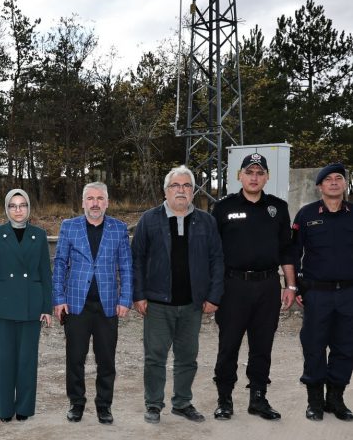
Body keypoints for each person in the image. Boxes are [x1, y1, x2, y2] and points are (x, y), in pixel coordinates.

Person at [132, 165, 224, 424]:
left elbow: (217, 259)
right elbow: (137, 259)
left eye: (186, 186)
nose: (181, 190)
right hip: (157, 304)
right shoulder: (150, 219)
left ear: (193, 191)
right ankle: (153, 404)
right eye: (175, 186)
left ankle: (182, 403)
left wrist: (214, 296)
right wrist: (138, 295)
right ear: (165, 191)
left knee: (187, 357)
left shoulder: (206, 221)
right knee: (155, 357)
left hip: (192, 304)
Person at [210, 153, 296, 421]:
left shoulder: (278, 208)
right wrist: (212, 291)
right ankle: (224, 399)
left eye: (260, 173)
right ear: (240, 176)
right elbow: (213, 253)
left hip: (268, 286)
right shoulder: (223, 207)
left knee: (262, 345)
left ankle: (258, 398)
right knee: (229, 345)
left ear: (267, 177)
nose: (254, 177)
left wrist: (291, 286)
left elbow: (286, 251)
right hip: (233, 287)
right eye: (249, 172)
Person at [53, 182, 132, 425]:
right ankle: (76, 403)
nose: (95, 203)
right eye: (90, 198)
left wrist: (125, 299)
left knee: (106, 360)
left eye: (99, 198)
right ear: (83, 202)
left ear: (107, 202)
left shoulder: (119, 229)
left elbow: (126, 267)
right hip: (76, 305)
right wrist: (59, 298)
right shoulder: (69, 226)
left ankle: (104, 405)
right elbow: (60, 263)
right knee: (75, 358)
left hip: (108, 306)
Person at [289, 162, 353, 422]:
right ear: (319, 186)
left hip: (349, 294)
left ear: (345, 184)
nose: (334, 182)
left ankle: (335, 399)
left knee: (345, 347)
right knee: (314, 346)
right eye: (328, 179)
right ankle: (314, 401)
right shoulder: (306, 215)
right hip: (317, 294)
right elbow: (294, 253)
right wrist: (295, 286)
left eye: (339, 178)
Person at [0, 189, 52, 422]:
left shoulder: (39, 235)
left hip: (31, 305)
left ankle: (24, 408)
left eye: (22, 205)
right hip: (3, 305)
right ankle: (5, 409)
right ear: (7, 209)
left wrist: (47, 307)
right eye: (13, 206)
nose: (18, 210)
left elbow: (45, 272)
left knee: (27, 360)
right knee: (5, 360)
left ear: (29, 208)